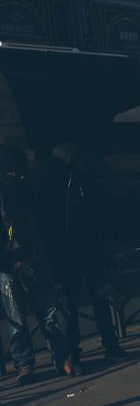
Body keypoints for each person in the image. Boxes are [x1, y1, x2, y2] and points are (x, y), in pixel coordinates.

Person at [45, 143, 126, 370]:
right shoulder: (69, 185)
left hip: (82, 251)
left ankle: (94, 349)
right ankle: (86, 351)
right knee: (77, 306)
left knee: (85, 303)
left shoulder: (75, 184)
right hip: (76, 252)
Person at [0, 146, 72, 382]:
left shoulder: (24, 190)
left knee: (21, 318)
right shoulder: (29, 188)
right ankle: (57, 359)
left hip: (15, 261)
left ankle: (28, 364)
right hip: (23, 259)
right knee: (43, 314)